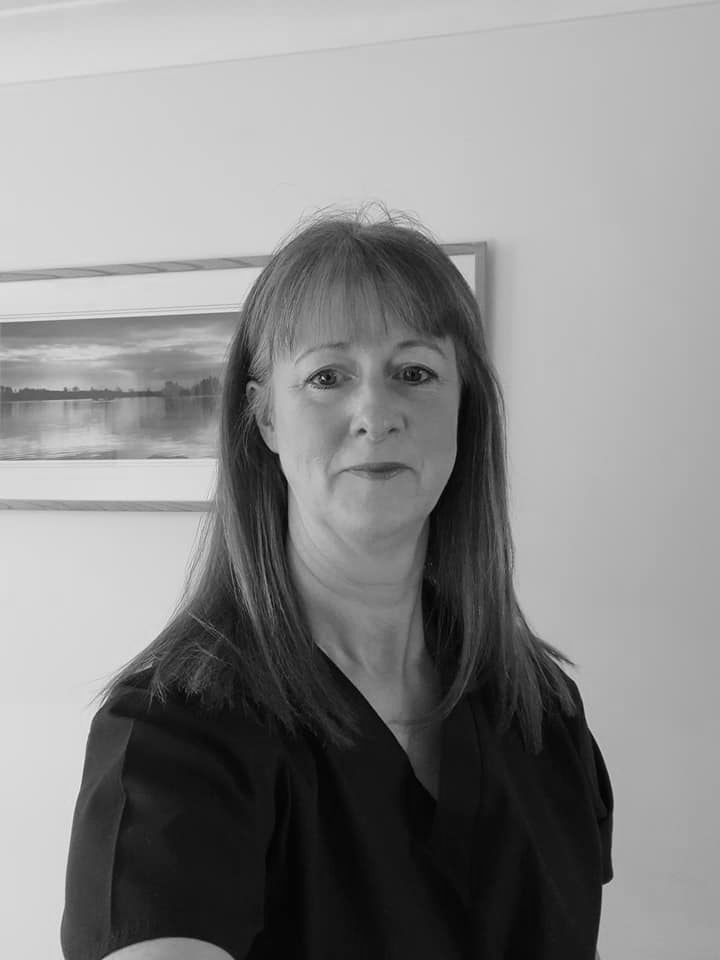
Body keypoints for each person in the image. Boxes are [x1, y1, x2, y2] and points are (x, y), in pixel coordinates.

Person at [60, 203, 613, 960]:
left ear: (465, 409)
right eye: (327, 377)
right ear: (264, 419)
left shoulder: (543, 712)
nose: (375, 414)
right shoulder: (174, 738)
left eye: (415, 373)